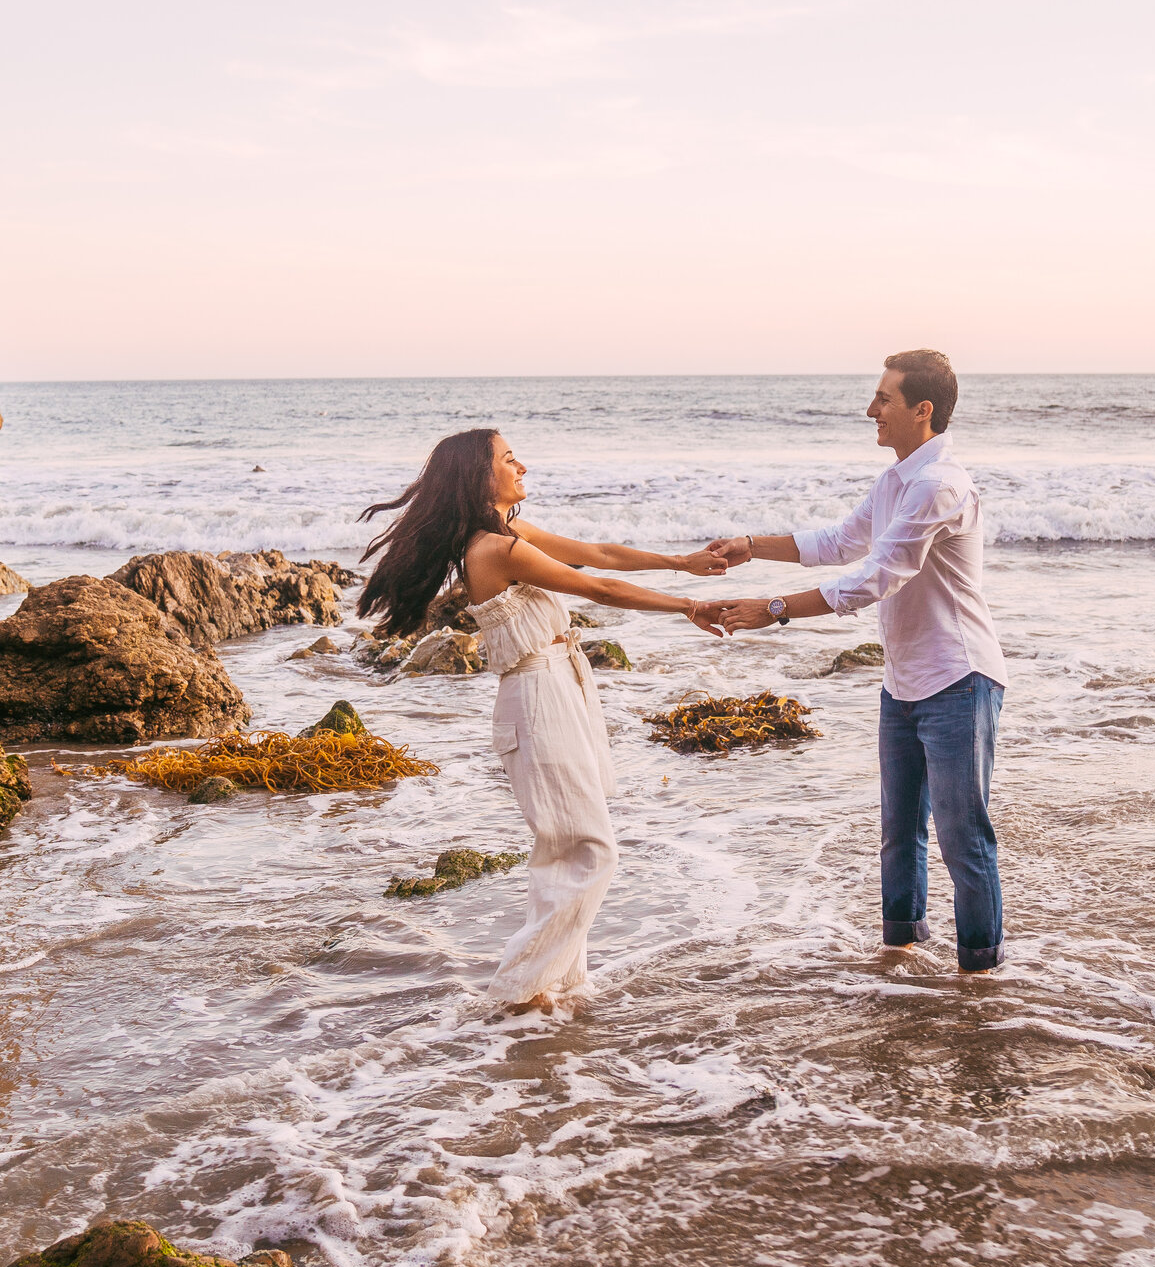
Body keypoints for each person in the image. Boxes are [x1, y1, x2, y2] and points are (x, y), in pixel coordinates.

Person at [358, 428, 728, 1009]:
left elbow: (597, 554)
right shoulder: (495, 550)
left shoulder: (512, 534)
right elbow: (598, 586)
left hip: (564, 687)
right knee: (588, 849)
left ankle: (552, 991)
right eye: (509, 460)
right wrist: (690, 606)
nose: (521, 465)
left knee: (565, 850)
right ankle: (513, 997)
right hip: (537, 696)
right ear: (479, 477)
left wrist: (681, 564)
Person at [706, 349, 1011, 973]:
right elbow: (839, 542)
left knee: (962, 837)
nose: (871, 409)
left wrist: (775, 609)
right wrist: (751, 546)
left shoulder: (938, 485)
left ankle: (981, 977)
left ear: (921, 410)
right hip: (903, 684)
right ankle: (899, 958)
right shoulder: (896, 481)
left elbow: (878, 577)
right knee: (899, 831)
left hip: (959, 678)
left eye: (884, 399)